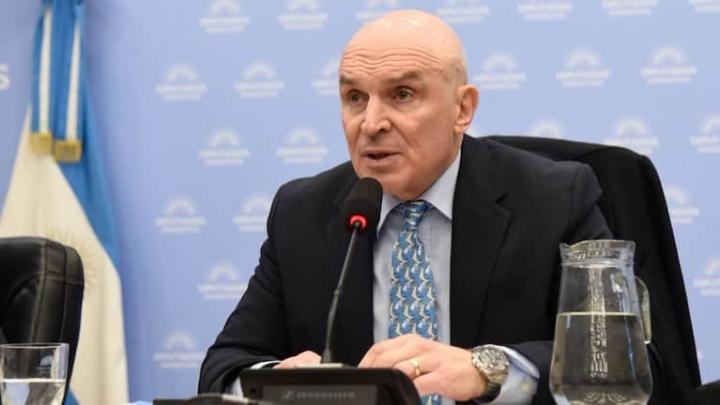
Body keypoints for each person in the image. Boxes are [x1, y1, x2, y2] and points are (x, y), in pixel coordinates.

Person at [199, 10, 611, 404]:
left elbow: (610, 356)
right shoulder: (302, 213)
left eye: (402, 95)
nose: (371, 123)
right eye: (355, 97)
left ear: (462, 109)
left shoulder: (554, 200)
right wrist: (275, 381)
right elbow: (224, 367)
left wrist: (487, 370)